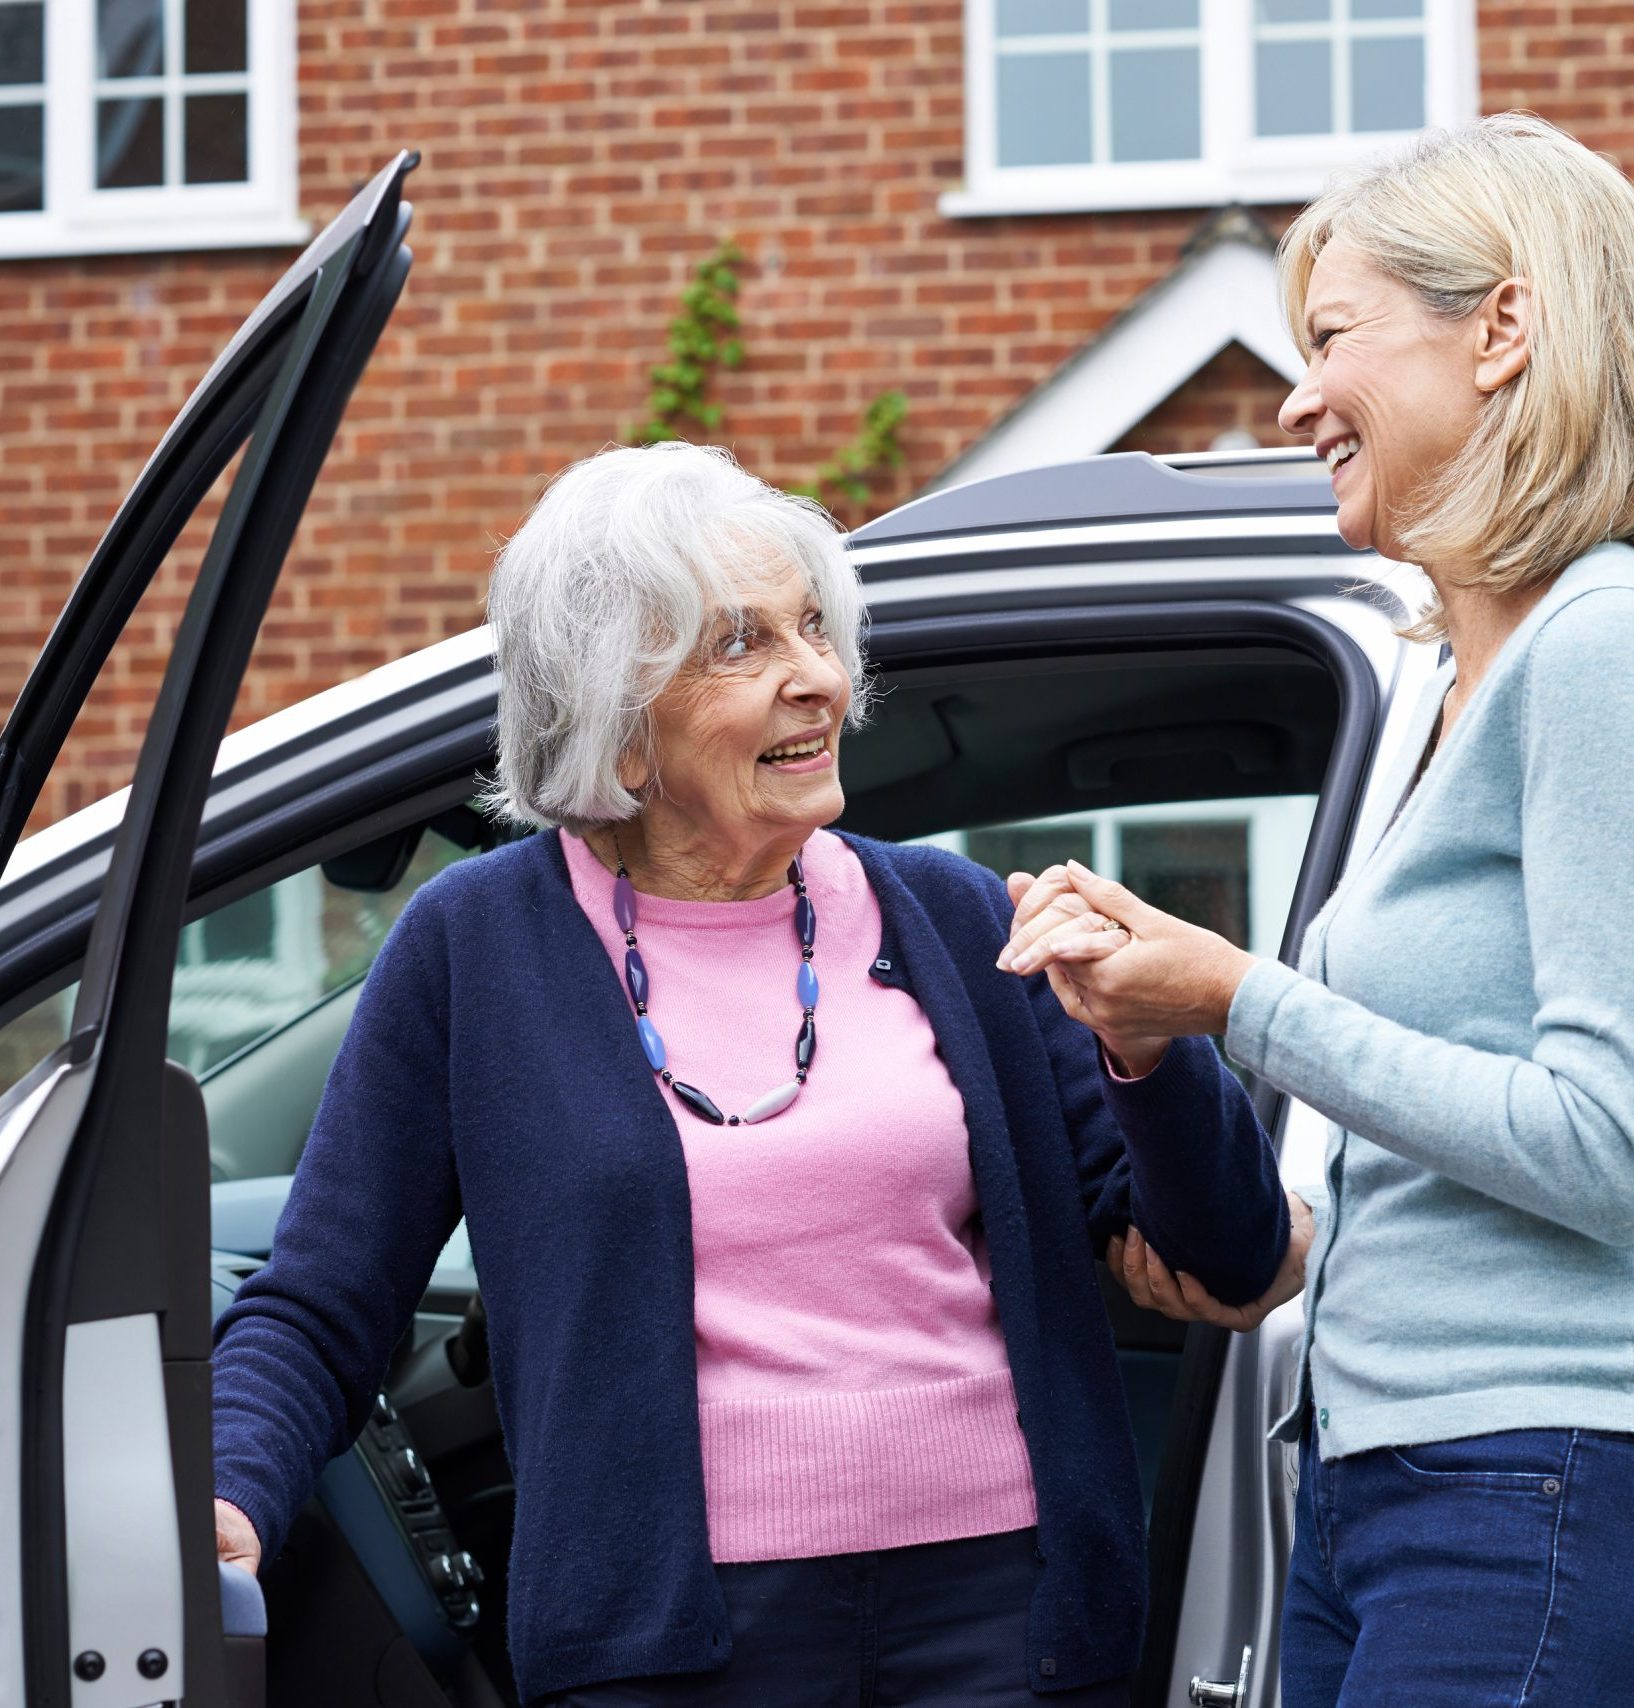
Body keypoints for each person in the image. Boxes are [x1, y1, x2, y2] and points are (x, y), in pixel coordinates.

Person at [208, 440, 1292, 1706]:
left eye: (814, 631)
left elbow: (1222, 1251)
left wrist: (1148, 1047)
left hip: (1007, 1615)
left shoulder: (951, 918)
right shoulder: (473, 949)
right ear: (616, 711)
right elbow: (326, 1296)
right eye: (742, 645)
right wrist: (229, 1490)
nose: (817, 679)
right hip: (667, 1644)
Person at [1000, 113, 1634, 1705]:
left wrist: (1237, 997)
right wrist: (1299, 1242)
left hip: (1542, 1490)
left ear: (1505, 330)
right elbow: (1485, 1138)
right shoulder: (1474, 684)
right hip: (1397, 1488)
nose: (1297, 392)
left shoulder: (1610, 643)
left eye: (1333, 337)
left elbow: (1609, 1148)